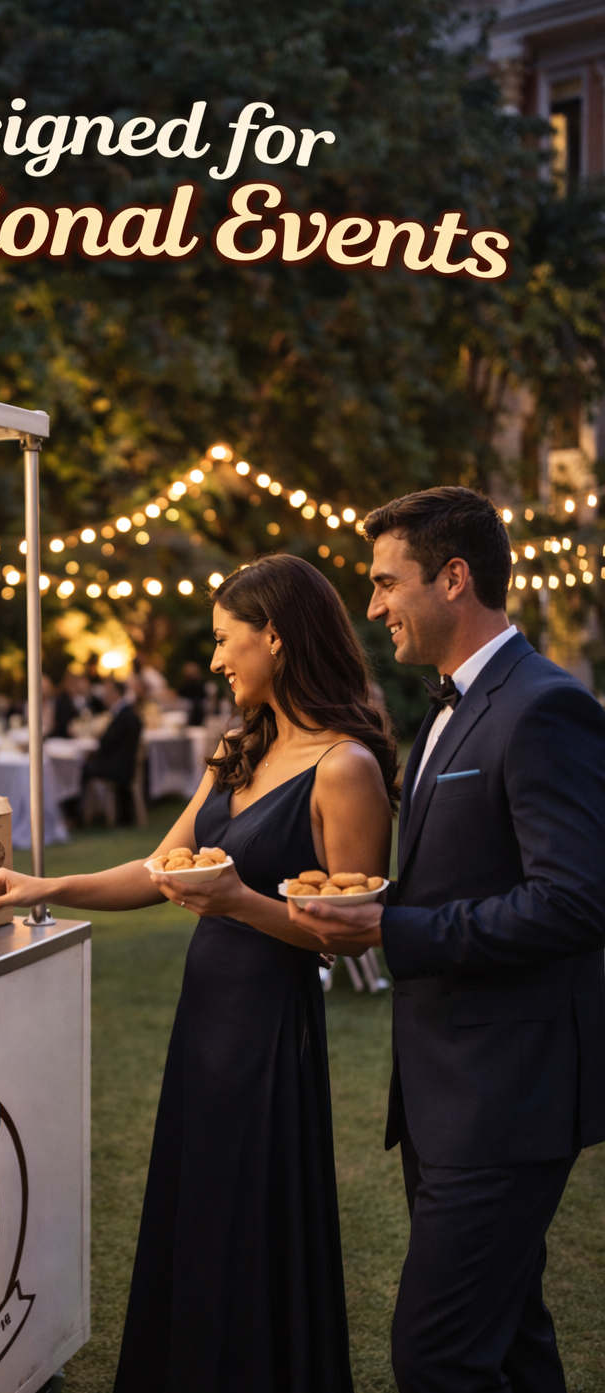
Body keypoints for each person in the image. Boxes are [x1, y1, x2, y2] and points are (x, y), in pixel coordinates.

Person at [0, 554, 398, 1392]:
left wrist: (240, 903)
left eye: (224, 639)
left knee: (250, 1221)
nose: (213, 659)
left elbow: (353, 936)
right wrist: (43, 884)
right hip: (204, 1020)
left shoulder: (347, 767)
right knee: (195, 1216)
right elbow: (159, 869)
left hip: (272, 1030)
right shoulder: (236, 751)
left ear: (275, 636)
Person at [289, 487, 605, 1393]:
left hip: (507, 1095)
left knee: (437, 1355)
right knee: (510, 1341)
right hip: (443, 1090)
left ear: (454, 578)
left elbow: (577, 902)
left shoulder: (543, 706)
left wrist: (392, 926)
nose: (375, 606)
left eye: (388, 584)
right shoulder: (445, 709)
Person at [81, 676, 143, 824]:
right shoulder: (130, 714)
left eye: (107, 692)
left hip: (119, 768)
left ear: (116, 693)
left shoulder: (123, 716)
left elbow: (106, 743)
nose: (105, 696)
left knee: (84, 768)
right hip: (127, 766)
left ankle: (84, 816)